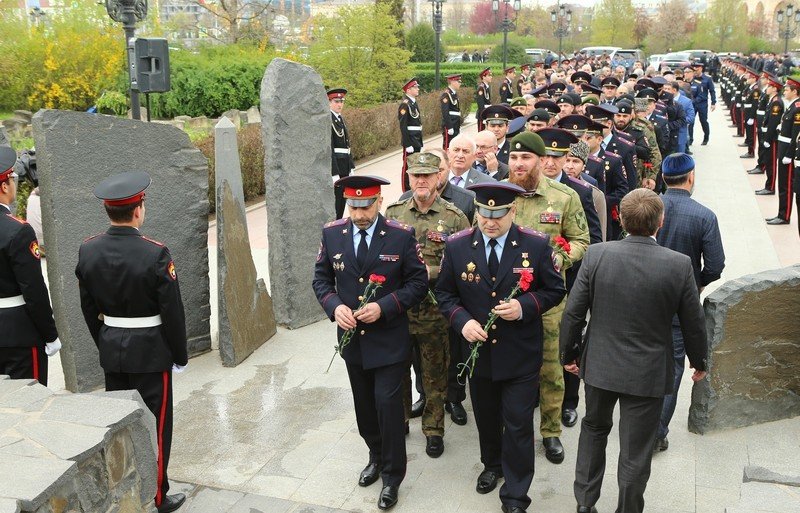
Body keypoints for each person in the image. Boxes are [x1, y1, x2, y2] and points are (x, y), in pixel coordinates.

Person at [560, 188, 708, 513]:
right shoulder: (679, 265)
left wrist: (569, 355)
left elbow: (573, 312)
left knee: (593, 430)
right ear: (661, 222)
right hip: (648, 371)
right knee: (635, 449)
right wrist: (700, 362)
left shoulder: (597, 255)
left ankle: (585, 504)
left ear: (621, 219)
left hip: (599, 364)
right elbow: (693, 323)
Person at [436, 181, 566, 513]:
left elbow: (554, 290)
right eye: (483, 214)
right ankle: (492, 465)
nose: (490, 222)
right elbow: (446, 294)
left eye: (497, 215)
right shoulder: (458, 246)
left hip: (520, 353)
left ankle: (516, 494)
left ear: (513, 211)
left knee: (519, 422)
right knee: (487, 416)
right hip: (478, 355)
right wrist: (462, 321)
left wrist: (525, 306)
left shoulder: (535, 245)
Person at [312, 175, 427, 511]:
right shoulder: (333, 233)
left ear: (379, 201)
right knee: (364, 406)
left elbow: (418, 283)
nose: (360, 213)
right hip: (353, 341)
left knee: (388, 407)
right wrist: (335, 307)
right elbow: (321, 278)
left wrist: (385, 306)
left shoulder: (400, 235)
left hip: (389, 340)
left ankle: (393, 476)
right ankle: (375, 455)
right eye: (354, 206)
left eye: (366, 206)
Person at [75, 171, 188, 513]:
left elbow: (87, 307)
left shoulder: (88, 249)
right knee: (156, 425)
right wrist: (178, 356)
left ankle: (124, 489)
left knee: (122, 424)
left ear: (109, 210)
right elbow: (173, 312)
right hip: (152, 352)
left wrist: (105, 340)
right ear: (138, 208)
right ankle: (157, 495)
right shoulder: (155, 253)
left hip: (113, 350)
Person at [508, 131, 590, 465]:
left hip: (550, 301)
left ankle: (551, 432)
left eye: (525, 158)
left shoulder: (564, 196)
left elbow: (582, 239)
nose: (517, 164)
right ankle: (512, 429)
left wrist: (562, 258)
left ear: (541, 161)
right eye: (513, 158)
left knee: (552, 369)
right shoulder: (499, 194)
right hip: (508, 301)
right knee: (510, 368)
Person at [385, 153, 470, 458]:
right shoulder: (394, 212)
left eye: (427, 176)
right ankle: (401, 420)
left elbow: (465, 262)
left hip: (436, 313)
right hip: (399, 311)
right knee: (398, 371)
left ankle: (434, 429)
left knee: (435, 373)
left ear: (438, 178)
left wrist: (428, 274)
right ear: (409, 178)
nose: (421, 181)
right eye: (415, 176)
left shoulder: (455, 216)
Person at [653, 154, 725, 452]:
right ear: (691, 177)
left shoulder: (647, 205)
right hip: (680, 304)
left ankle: (637, 420)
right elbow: (716, 264)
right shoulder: (704, 215)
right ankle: (657, 432)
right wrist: (698, 282)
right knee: (672, 366)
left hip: (643, 298)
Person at [0, 146, 59, 385]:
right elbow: (34, 290)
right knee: (29, 402)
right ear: (4, 186)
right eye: (14, 178)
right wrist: (50, 334)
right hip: (19, 334)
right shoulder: (18, 231)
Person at [768, 77, 800, 225]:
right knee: (782, 184)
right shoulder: (791, 105)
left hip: (788, 151)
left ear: (794, 91)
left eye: (787, 89)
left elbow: (796, 134)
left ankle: (784, 215)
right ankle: (781, 213)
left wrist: (789, 154)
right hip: (783, 147)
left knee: (786, 185)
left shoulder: (798, 107)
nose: (784, 91)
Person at [328, 88, 356, 220]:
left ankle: (338, 222)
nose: (340, 104)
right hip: (337, 167)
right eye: (336, 101)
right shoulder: (329, 119)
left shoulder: (340, 118)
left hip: (344, 165)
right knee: (337, 201)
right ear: (329, 102)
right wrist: (334, 172)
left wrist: (351, 166)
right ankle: (335, 225)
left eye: (342, 101)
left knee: (343, 198)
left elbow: (347, 145)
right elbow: (330, 148)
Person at [399, 78, 423, 192]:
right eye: (415, 87)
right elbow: (403, 126)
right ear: (408, 90)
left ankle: (413, 187)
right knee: (407, 166)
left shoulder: (413, 103)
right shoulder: (405, 105)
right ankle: (406, 190)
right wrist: (407, 143)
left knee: (416, 165)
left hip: (417, 138)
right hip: (410, 140)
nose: (418, 89)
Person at [690, 61, 716, 146]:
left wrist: (713, 102)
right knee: (691, 122)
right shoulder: (691, 78)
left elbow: (712, 91)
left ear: (701, 68)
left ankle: (706, 137)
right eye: (694, 68)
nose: (695, 70)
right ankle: (690, 139)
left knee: (703, 121)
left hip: (702, 103)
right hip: (692, 103)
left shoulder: (707, 78)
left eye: (697, 68)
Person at [441, 74, 463, 151]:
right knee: (448, 146)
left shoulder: (453, 94)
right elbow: (445, 112)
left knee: (455, 146)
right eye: (458, 81)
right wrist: (449, 126)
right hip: (450, 124)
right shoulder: (446, 95)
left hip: (455, 123)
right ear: (452, 82)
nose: (460, 83)